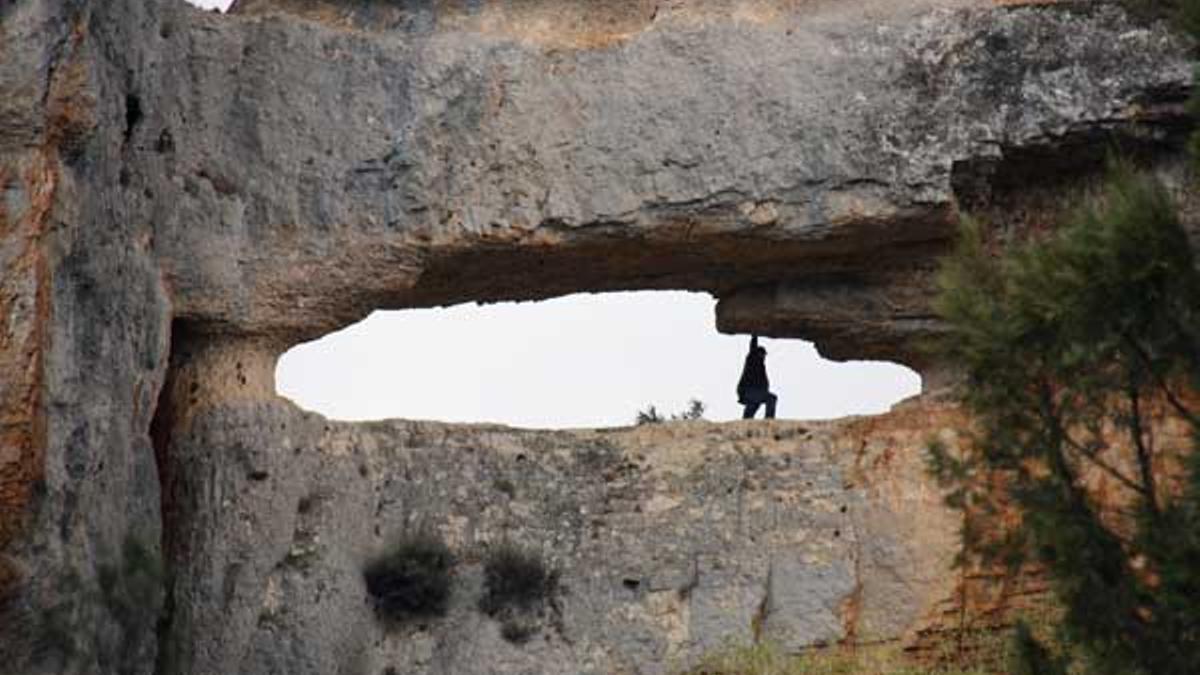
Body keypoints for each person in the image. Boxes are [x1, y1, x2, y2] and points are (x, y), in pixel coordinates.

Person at [736, 335, 777, 419]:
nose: (764, 357)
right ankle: (769, 419)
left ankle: (745, 421)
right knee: (771, 398)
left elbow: (763, 382)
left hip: (753, 392)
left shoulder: (761, 366)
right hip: (748, 390)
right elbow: (753, 347)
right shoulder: (752, 359)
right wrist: (754, 335)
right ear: (758, 353)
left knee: (753, 405)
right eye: (762, 354)